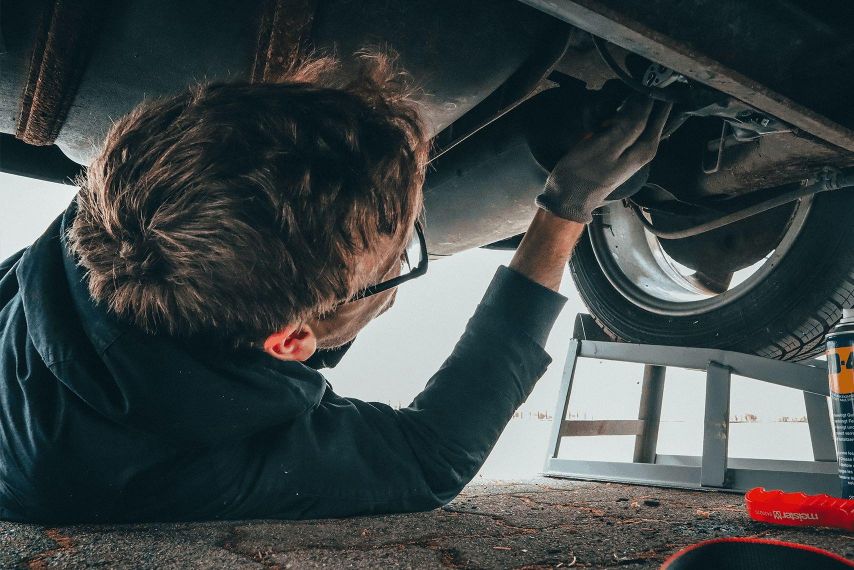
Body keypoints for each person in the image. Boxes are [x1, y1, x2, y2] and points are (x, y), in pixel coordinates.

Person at [0, 54, 670, 523]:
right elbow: (431, 457)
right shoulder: (173, 464)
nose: (405, 247)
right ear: (291, 340)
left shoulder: (129, 206)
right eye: (399, 255)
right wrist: (563, 211)